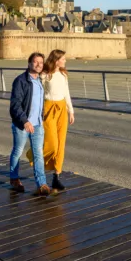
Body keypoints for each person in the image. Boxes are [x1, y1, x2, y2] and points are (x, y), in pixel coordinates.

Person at [8, 52, 50, 196]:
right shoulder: (20, 81)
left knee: (38, 154)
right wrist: (25, 121)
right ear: (29, 63)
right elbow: (15, 105)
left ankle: (42, 184)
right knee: (18, 151)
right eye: (35, 62)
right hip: (22, 125)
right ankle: (14, 178)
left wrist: (41, 118)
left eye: (41, 62)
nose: (39, 65)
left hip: (37, 124)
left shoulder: (39, 81)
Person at [41, 49, 74, 190]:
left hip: (62, 109)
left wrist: (71, 111)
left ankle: (56, 176)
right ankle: (35, 158)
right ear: (56, 60)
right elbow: (38, 93)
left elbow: (66, 93)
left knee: (61, 144)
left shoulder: (63, 74)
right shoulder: (45, 75)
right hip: (49, 108)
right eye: (63, 59)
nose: (65, 61)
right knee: (52, 143)